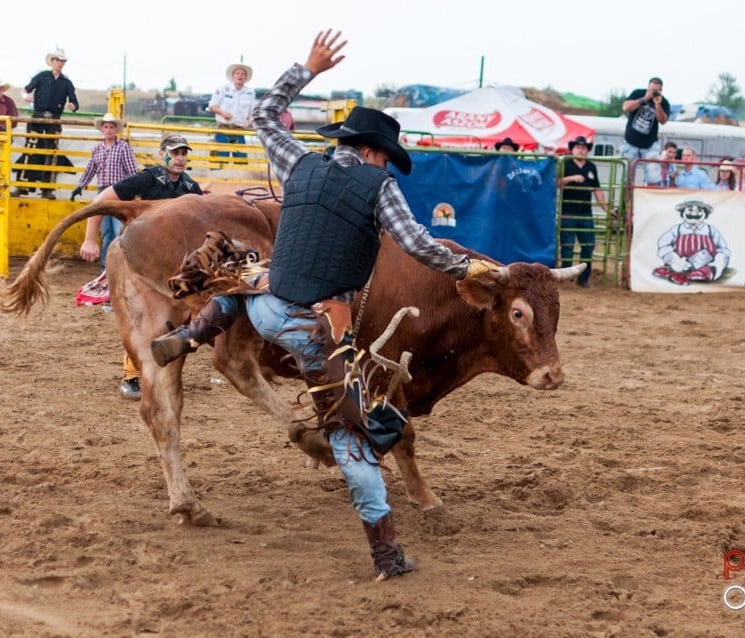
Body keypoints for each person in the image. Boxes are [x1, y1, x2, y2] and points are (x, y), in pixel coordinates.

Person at [150, 29, 498, 581]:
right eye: (386, 157)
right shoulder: (379, 188)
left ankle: (193, 332)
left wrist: (306, 68)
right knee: (353, 442)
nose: (387, 166)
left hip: (261, 311)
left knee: (249, 270)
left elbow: (264, 114)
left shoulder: (300, 164)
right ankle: (386, 555)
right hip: (316, 331)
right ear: (372, 152)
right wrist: (472, 269)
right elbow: (418, 246)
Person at [80, 133, 203, 400]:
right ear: (162, 154)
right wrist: (91, 239)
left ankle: (161, 369)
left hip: (173, 264)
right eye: (175, 152)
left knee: (180, 317)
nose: (180, 158)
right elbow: (103, 199)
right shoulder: (147, 179)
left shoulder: (191, 188)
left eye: (184, 153)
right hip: (139, 260)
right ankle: (133, 375)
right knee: (142, 315)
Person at [73, 113, 139, 268]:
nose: (108, 130)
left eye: (111, 127)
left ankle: (119, 267)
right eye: (106, 127)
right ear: (102, 129)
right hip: (103, 192)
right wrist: (80, 185)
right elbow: (91, 169)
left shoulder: (124, 147)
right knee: (106, 233)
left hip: (119, 193)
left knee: (118, 232)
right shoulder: (98, 149)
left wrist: (134, 190)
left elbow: (132, 172)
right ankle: (106, 268)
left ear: (115, 130)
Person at [13, 47, 79, 199]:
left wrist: (72, 106)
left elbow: (74, 101)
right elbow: (26, 89)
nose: (60, 63)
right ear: (52, 61)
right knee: (31, 150)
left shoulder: (66, 82)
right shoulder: (42, 76)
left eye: (62, 61)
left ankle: (47, 189)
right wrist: (26, 96)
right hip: (37, 118)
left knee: (51, 153)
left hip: (54, 120)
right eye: (57, 60)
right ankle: (22, 186)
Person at [558, 135, 613, 288]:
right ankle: (566, 278)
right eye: (578, 147)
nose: (581, 150)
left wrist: (605, 207)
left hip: (585, 212)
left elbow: (596, 188)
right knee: (567, 246)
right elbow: (556, 182)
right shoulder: (565, 163)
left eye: (583, 148)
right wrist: (571, 178)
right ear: (572, 149)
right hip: (568, 211)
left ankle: (583, 278)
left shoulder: (591, 166)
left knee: (588, 245)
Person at [620, 77, 670, 186]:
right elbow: (626, 107)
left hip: (650, 145)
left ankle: (650, 200)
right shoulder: (638, 93)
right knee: (625, 179)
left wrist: (657, 105)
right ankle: (627, 202)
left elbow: (663, 120)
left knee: (653, 177)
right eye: (652, 90)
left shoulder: (664, 102)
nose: (654, 93)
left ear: (661, 91)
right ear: (647, 87)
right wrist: (644, 99)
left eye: (657, 90)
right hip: (630, 142)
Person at [207, 62, 257, 164]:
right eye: (237, 73)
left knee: (241, 162)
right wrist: (223, 113)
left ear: (245, 77)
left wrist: (250, 119)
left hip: (239, 130)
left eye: (242, 74)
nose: (240, 76)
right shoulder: (223, 89)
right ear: (233, 76)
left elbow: (252, 111)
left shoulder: (250, 92)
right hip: (223, 129)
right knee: (219, 161)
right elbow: (212, 106)